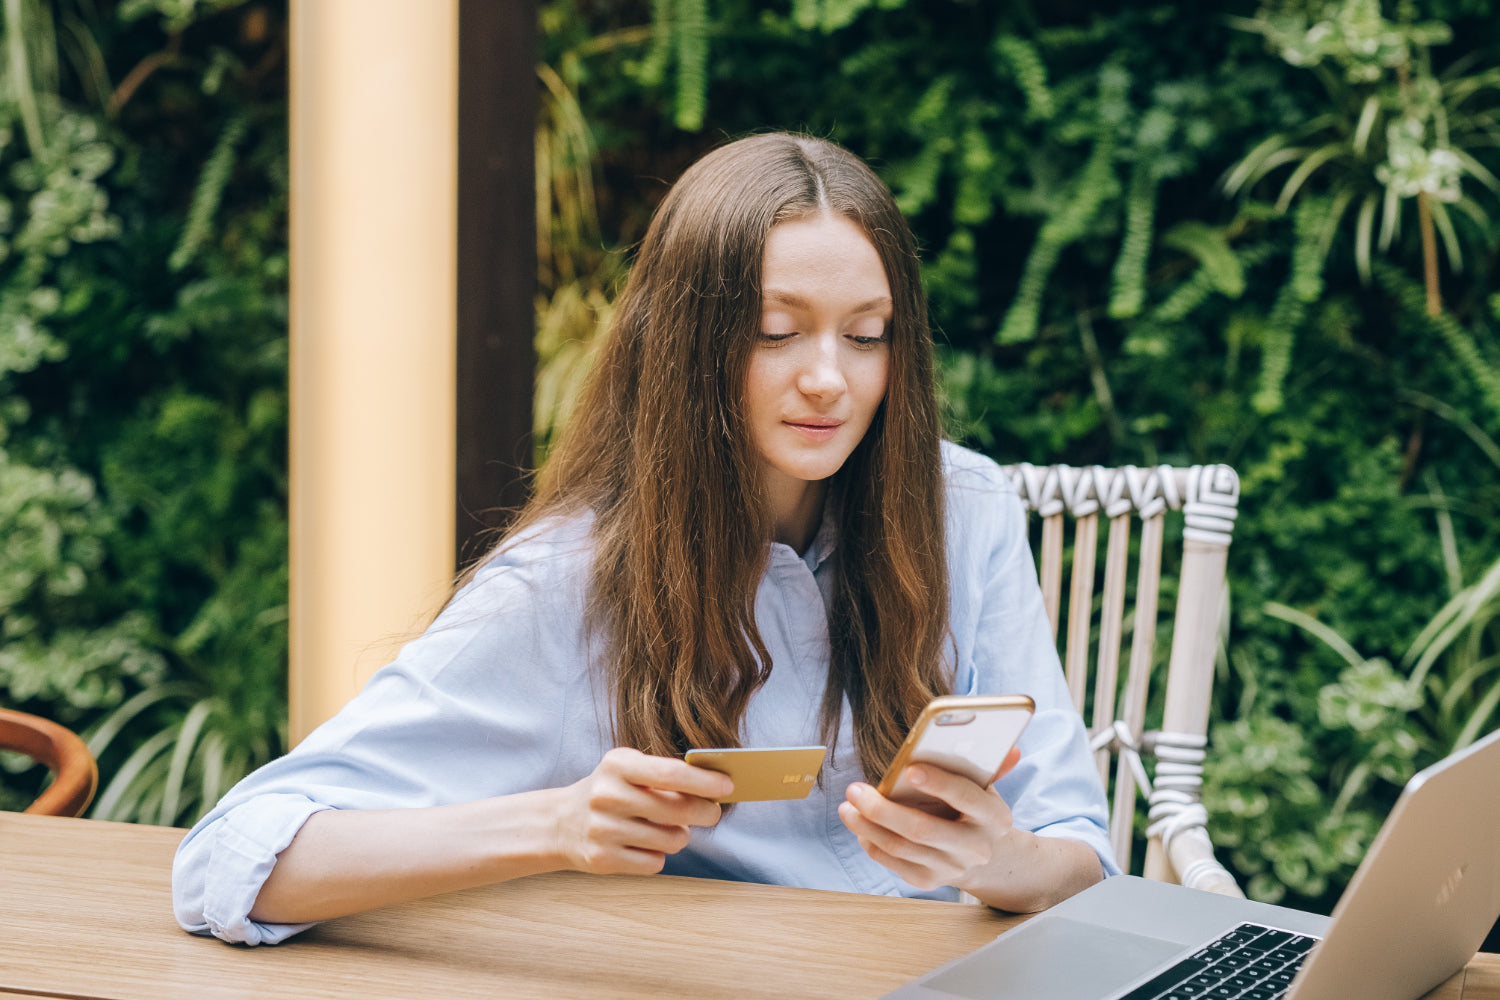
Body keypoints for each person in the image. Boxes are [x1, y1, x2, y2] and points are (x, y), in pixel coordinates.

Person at [172, 132, 1117, 946]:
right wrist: (558, 824)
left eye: (867, 336)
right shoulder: (567, 584)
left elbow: (1080, 847)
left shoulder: (965, 507)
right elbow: (233, 856)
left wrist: (1008, 862)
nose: (831, 377)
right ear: (690, 345)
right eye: (777, 331)